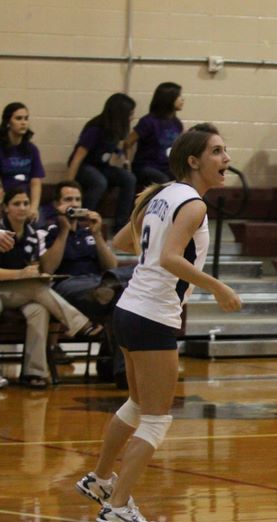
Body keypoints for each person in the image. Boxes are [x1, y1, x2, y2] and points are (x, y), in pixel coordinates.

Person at [74, 123, 242, 522]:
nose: (226, 159)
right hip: (152, 315)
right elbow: (169, 257)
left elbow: (123, 241)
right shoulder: (193, 204)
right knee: (156, 418)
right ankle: (117, 507)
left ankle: (100, 478)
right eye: (217, 151)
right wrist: (218, 286)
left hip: (129, 309)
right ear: (193, 161)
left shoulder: (160, 194)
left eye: (225, 150)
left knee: (136, 404)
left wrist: (156, 244)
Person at [0, 187, 100, 388]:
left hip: (19, 291)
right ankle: (80, 324)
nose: (22, 207)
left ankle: (34, 372)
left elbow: (33, 266)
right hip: (4, 289)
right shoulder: (2, 231)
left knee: (38, 308)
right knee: (36, 288)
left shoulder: (31, 234)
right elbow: (20, 273)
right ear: (5, 208)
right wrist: (20, 274)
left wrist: (36, 273)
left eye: (26, 203)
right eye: (17, 204)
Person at [38, 180, 135, 386]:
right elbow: (48, 269)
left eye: (77, 199)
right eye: (68, 200)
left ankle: (120, 372)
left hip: (97, 282)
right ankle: (120, 369)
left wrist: (97, 234)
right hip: (66, 283)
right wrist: (64, 231)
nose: (74, 204)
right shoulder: (47, 230)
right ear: (57, 205)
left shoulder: (89, 230)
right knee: (124, 294)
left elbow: (111, 265)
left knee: (128, 288)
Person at [66, 93, 138, 230]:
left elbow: (118, 148)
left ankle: (121, 225)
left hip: (101, 167)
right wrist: (68, 184)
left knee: (129, 178)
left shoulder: (117, 129)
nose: (132, 117)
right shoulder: (95, 128)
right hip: (84, 166)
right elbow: (77, 157)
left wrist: (125, 160)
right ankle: (82, 222)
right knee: (99, 182)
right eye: (130, 114)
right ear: (120, 114)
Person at [124, 82, 184, 186]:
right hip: (146, 166)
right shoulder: (148, 121)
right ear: (168, 99)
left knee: (184, 178)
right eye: (179, 96)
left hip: (166, 166)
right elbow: (128, 142)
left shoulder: (176, 123)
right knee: (163, 180)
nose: (182, 99)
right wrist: (127, 164)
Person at [0, 102, 45, 220]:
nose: (23, 122)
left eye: (26, 118)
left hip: (25, 199)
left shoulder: (32, 149)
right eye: (18, 118)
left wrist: (34, 207)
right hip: (5, 199)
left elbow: (36, 181)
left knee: (39, 220)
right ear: (8, 122)